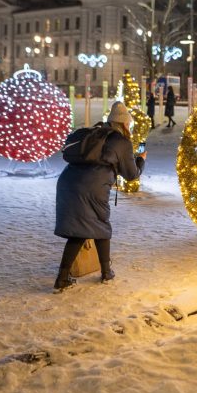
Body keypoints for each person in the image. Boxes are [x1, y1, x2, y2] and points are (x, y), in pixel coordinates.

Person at [53, 101, 145, 292]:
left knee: (81, 229)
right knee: (99, 226)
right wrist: (140, 160)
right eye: (128, 123)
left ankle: (64, 278)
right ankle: (105, 273)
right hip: (92, 188)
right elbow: (131, 174)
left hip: (68, 182)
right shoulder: (121, 141)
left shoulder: (95, 133)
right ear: (123, 123)